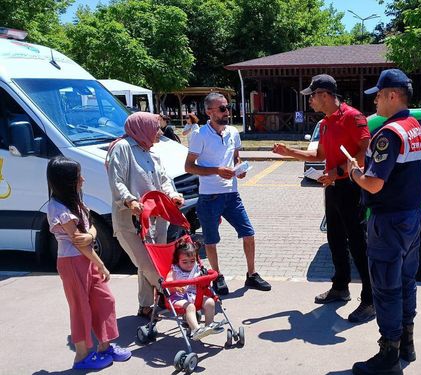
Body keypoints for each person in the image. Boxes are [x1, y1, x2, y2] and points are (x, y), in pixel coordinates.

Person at [272, 74, 375, 323]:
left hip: (351, 185)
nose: (310, 101)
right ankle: (340, 287)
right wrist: (289, 152)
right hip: (333, 188)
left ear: (325, 95)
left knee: (358, 243)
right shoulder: (326, 122)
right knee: (335, 239)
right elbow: (317, 153)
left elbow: (366, 151)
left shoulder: (353, 116)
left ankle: (371, 299)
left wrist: (337, 173)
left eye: (312, 96)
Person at [348, 69, 421, 375]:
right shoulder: (416, 128)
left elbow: (373, 184)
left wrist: (354, 171)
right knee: (407, 283)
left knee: (386, 288)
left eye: (379, 95)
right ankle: (407, 343)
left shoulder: (389, 133)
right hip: (411, 218)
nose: (376, 102)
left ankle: (389, 355)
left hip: (389, 222)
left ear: (393, 95)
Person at [47, 156, 131, 370]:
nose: (82, 179)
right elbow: (78, 242)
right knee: (80, 308)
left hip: (86, 259)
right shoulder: (57, 207)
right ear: (65, 181)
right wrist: (101, 263)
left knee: (105, 300)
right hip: (73, 262)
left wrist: (91, 236)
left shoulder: (75, 201)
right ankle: (82, 356)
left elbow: (89, 229)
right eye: (77, 177)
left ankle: (105, 346)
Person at [185, 92, 271, 295]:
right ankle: (217, 276)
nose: (227, 112)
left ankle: (251, 275)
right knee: (211, 240)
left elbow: (236, 158)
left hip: (232, 195)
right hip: (209, 196)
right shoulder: (199, 135)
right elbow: (189, 167)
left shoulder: (233, 132)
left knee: (249, 233)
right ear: (209, 111)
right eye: (222, 108)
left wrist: (239, 169)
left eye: (228, 107)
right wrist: (217, 171)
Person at [106, 112, 185, 319]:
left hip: (156, 220)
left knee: (150, 262)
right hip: (131, 220)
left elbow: (163, 179)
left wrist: (173, 195)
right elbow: (117, 181)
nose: (159, 132)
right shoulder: (122, 148)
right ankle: (174, 296)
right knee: (146, 263)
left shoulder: (151, 151)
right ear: (142, 128)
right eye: (155, 128)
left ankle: (146, 306)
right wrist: (130, 200)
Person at [166, 239, 218, 340]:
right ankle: (196, 330)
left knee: (210, 302)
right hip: (178, 297)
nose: (189, 264)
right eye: (185, 262)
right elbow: (167, 282)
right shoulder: (175, 270)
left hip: (195, 295)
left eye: (192, 261)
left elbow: (204, 280)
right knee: (190, 307)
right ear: (178, 261)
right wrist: (176, 287)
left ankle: (209, 326)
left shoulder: (197, 269)